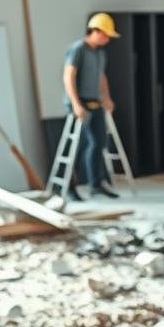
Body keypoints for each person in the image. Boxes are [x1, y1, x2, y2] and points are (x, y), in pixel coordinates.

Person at [62, 13, 122, 201]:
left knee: (99, 144)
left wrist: (107, 98)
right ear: (95, 31)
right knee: (77, 148)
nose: (107, 39)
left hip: (96, 104)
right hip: (80, 104)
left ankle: (96, 185)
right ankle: (69, 188)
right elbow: (68, 76)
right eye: (105, 35)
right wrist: (76, 104)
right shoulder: (78, 49)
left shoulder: (99, 53)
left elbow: (101, 77)